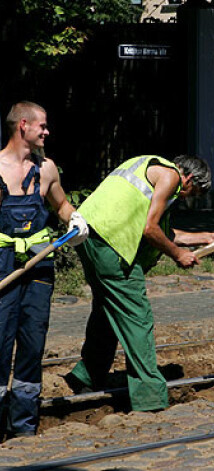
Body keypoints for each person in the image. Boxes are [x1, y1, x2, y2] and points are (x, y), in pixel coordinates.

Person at [64, 154, 214, 412]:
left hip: (87, 235)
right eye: (193, 192)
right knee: (137, 317)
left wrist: (207, 238)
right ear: (188, 177)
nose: (187, 197)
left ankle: (86, 376)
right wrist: (177, 254)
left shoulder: (148, 166)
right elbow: (150, 230)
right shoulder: (171, 177)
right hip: (113, 246)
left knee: (108, 311)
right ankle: (150, 397)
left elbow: (166, 233)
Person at [0, 101, 89, 437]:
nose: (47, 132)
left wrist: (75, 220)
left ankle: (24, 425)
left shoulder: (47, 169)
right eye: (42, 126)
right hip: (3, 265)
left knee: (32, 342)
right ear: (23, 125)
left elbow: (62, 204)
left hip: (39, 265)